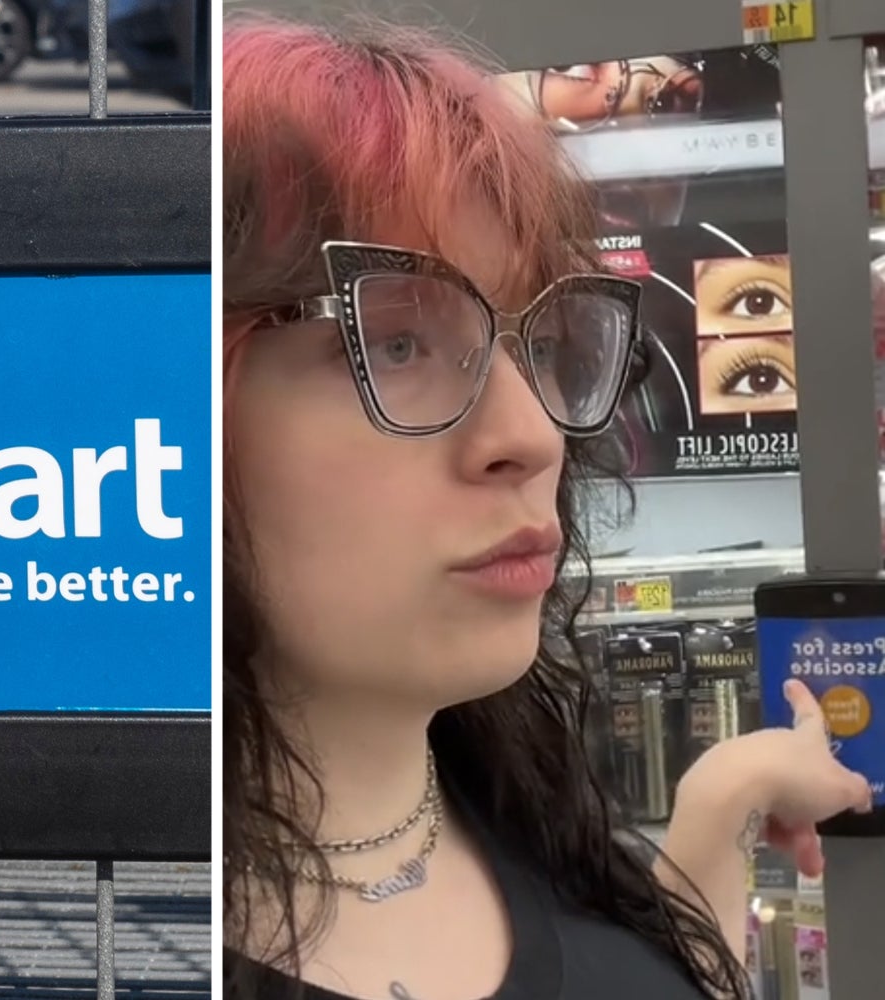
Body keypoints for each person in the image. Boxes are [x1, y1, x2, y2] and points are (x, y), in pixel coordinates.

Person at [221, 15, 867, 1000]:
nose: (532, 435)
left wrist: (722, 804)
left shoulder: (526, 826)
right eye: (397, 343)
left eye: (542, 344)